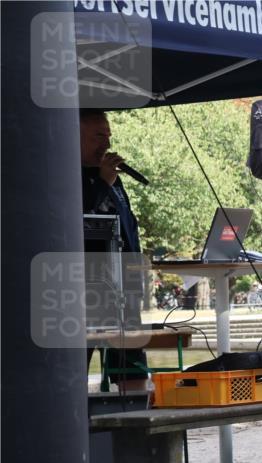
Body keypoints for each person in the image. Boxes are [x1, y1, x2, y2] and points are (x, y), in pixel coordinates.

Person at [81, 109, 148, 390]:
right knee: (75, 363)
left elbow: (126, 227)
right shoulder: (62, 176)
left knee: (131, 367)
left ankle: (137, 422)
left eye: (108, 136)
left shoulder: (112, 177)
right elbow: (78, 221)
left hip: (123, 288)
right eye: (98, 136)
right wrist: (103, 183)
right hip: (87, 291)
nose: (106, 144)